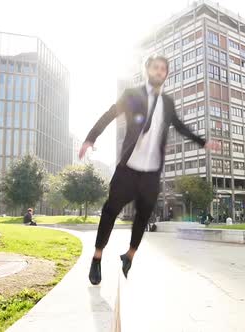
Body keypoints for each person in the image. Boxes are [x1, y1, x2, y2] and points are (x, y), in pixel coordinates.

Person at [79, 55, 220, 285]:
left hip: (151, 172)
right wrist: (89, 139)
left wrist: (202, 141)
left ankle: (129, 255)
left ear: (166, 74)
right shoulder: (132, 95)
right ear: (147, 70)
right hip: (128, 168)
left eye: (163, 69)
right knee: (109, 212)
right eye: (155, 68)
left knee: (143, 216)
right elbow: (109, 114)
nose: (159, 72)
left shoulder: (167, 103)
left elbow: (181, 127)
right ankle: (97, 257)